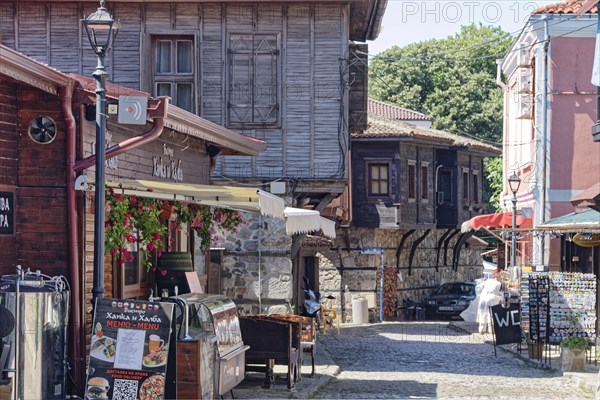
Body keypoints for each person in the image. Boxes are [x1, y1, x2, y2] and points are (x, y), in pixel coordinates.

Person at [476, 268, 503, 334]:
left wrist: (480, 294)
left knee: (483, 313)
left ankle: (482, 330)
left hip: (483, 298)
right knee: (491, 314)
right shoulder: (499, 283)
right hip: (492, 298)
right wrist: (501, 298)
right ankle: (492, 331)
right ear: (499, 276)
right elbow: (499, 293)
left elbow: (478, 287)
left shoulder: (488, 281)